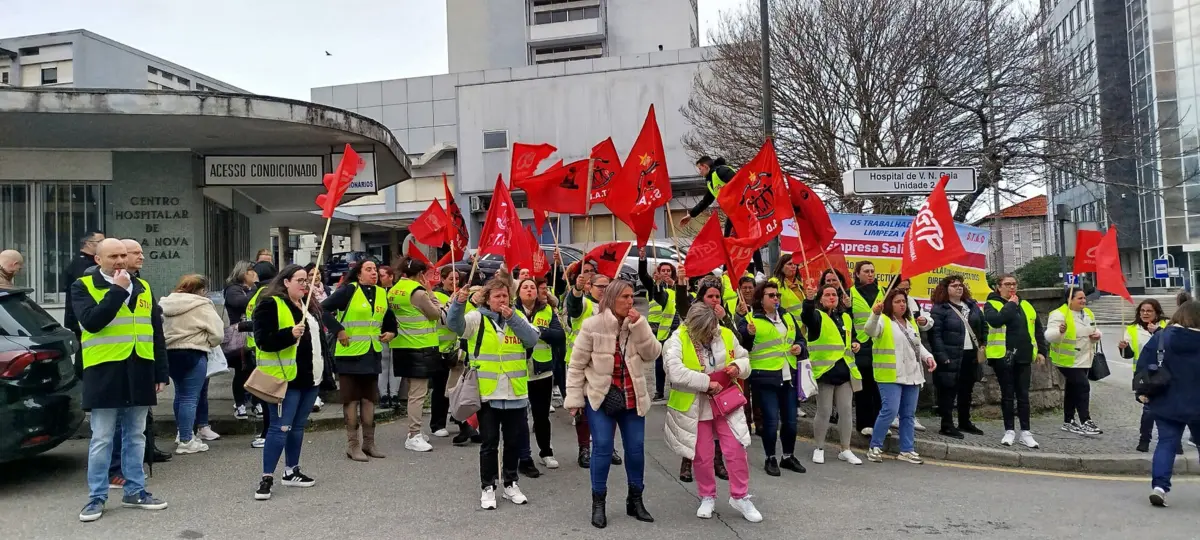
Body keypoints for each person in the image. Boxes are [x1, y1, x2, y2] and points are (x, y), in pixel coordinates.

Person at [73, 239, 169, 522]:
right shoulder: (83, 286)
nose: (120, 260)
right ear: (97, 260)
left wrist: (160, 372)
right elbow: (92, 322)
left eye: (123, 255)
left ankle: (135, 490)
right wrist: (117, 290)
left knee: (136, 435)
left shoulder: (144, 286)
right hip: (104, 370)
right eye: (113, 256)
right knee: (102, 437)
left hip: (140, 368)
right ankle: (97, 497)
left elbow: (155, 332)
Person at [566, 279, 659, 529]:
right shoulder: (592, 325)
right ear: (612, 299)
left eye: (632, 297)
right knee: (603, 449)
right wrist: (574, 398)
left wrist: (640, 326)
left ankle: (635, 499)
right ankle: (598, 503)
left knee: (636, 449)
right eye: (625, 297)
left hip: (632, 396)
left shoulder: (638, 324)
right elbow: (576, 365)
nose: (630, 301)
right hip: (601, 397)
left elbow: (652, 354)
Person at [446, 278, 540, 510]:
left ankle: (510, 483)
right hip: (488, 393)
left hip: (516, 392)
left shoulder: (517, 319)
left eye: (505, 296)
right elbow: (454, 325)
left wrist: (512, 318)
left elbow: (531, 339)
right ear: (488, 299)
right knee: (489, 443)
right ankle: (488, 487)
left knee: (513, 442)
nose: (502, 300)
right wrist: (458, 304)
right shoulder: (477, 318)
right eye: (497, 296)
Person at [665, 304, 761, 522]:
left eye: (712, 329)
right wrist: (707, 383)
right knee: (702, 454)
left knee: (736, 448)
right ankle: (707, 495)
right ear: (693, 327)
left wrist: (737, 367)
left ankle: (741, 496)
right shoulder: (677, 339)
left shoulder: (725, 333)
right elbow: (674, 371)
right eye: (705, 331)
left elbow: (745, 359)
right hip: (695, 405)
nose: (710, 335)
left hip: (725, 402)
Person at [251, 264, 334, 501]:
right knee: (280, 428)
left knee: (297, 427)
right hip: (284, 378)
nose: (304, 284)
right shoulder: (270, 304)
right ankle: (267, 476)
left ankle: (292, 470)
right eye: (299, 279)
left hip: (310, 377)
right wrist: (289, 334)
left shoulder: (309, 306)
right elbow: (262, 341)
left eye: (306, 280)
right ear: (285, 282)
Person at [321, 260, 397, 461]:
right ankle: (352, 445)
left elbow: (389, 321)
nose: (374, 274)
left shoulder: (382, 293)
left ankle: (369, 444)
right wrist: (338, 330)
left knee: (370, 400)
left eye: (376, 271)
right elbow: (322, 310)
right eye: (369, 270)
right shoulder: (349, 290)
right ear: (358, 274)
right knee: (351, 400)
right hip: (350, 354)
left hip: (372, 353)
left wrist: (391, 333)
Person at [737, 281, 806, 476]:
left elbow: (800, 339)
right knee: (770, 422)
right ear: (761, 299)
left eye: (777, 295)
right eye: (771, 295)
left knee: (791, 422)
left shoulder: (787, 317)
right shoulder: (752, 320)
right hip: (765, 378)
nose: (776, 298)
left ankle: (787, 456)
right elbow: (742, 346)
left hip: (788, 376)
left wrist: (800, 348)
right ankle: (770, 458)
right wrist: (747, 334)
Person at [1138, 300, 1200, 507]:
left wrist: (1141, 392)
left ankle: (1160, 488)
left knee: (1166, 443)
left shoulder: (1161, 337)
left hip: (1166, 400)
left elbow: (1144, 365)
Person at [864, 288, 936, 464]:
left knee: (908, 414)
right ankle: (875, 446)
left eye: (903, 301)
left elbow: (917, 344)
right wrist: (874, 314)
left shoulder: (910, 322)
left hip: (911, 374)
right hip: (890, 375)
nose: (902, 304)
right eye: (897, 301)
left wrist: (928, 357)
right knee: (889, 411)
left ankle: (907, 449)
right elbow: (869, 331)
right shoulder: (883, 320)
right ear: (890, 304)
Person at [564, 272, 624, 469]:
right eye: (600, 286)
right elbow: (573, 307)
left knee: (611, 406)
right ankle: (584, 448)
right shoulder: (585, 304)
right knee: (583, 410)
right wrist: (577, 290)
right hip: (582, 364)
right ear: (590, 287)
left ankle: (608, 447)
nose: (604, 290)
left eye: (608, 287)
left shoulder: (615, 308)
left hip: (606, 366)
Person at [387, 257, 446, 452]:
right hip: (420, 346)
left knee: (413, 391)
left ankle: (415, 432)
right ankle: (413, 434)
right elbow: (436, 314)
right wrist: (431, 292)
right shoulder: (418, 292)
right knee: (417, 394)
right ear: (421, 275)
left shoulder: (394, 290)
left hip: (402, 345)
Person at [161, 274, 224, 454]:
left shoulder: (165, 303)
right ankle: (187, 440)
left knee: (180, 395)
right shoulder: (202, 305)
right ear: (201, 290)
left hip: (169, 352)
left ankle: (182, 433)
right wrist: (209, 342)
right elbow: (218, 333)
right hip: (194, 351)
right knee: (190, 397)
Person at [802, 282, 863, 465]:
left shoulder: (845, 317)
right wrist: (808, 299)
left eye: (834, 295)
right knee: (824, 411)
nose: (831, 297)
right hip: (825, 370)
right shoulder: (817, 316)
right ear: (821, 298)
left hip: (845, 370)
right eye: (827, 294)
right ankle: (819, 447)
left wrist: (856, 344)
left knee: (846, 411)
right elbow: (807, 316)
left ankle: (846, 449)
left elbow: (850, 338)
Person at [984, 274, 1048, 449]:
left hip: (1024, 355)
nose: (1011, 287)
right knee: (1007, 395)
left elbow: (1037, 330)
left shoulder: (1026, 305)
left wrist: (1042, 351)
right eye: (1007, 284)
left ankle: (1026, 432)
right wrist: (1011, 305)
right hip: (1003, 356)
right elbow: (996, 321)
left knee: (1023, 395)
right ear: (998, 287)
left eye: (1014, 284)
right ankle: (1009, 430)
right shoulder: (992, 304)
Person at [515, 277, 566, 476]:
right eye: (525, 287)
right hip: (518, 371)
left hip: (542, 371)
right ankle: (523, 456)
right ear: (518, 292)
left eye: (532, 288)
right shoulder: (512, 311)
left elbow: (559, 335)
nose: (529, 290)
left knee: (541, 416)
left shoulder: (547, 310)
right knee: (519, 418)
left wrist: (538, 332)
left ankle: (546, 452)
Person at [678, 156, 763, 274]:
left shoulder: (721, 171)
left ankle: (760, 271)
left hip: (742, 210)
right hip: (732, 213)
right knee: (727, 241)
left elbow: (740, 182)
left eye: (700, 168)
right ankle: (726, 271)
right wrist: (691, 215)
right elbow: (706, 201)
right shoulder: (710, 181)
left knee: (749, 238)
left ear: (705, 166)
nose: (700, 172)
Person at [928, 275, 987, 439]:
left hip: (970, 354)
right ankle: (946, 425)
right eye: (954, 286)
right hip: (950, 354)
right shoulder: (940, 309)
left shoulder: (972, 305)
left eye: (960, 285)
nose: (958, 288)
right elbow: (935, 335)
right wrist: (942, 356)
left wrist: (983, 343)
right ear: (945, 289)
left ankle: (964, 421)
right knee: (948, 391)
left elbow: (983, 326)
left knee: (966, 390)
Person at [430, 266, 481, 445]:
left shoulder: (462, 296)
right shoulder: (436, 296)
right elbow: (442, 320)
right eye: (451, 278)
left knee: (457, 389)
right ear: (442, 279)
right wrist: (452, 305)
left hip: (458, 350)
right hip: (440, 349)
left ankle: (463, 423)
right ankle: (437, 424)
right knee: (439, 389)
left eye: (457, 279)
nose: (454, 282)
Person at [1046, 287, 1103, 436]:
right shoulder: (1059, 314)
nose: (1084, 301)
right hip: (1067, 360)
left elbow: (1094, 329)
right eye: (1080, 298)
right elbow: (1049, 336)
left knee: (1072, 389)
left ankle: (1068, 421)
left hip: (1085, 358)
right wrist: (1059, 331)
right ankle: (1086, 421)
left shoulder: (1088, 313)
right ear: (1070, 299)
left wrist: (1097, 335)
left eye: (1084, 298)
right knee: (1083, 386)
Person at [1120, 299, 1173, 453]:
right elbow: (1128, 355)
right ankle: (1144, 440)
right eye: (1142, 311)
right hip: (1146, 376)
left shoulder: (1167, 325)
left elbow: (1172, 346)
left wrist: (1157, 332)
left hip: (1166, 374)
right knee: (1148, 410)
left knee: (1170, 409)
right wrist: (1124, 348)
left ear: (1156, 312)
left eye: (1149, 311)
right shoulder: (1131, 328)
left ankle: (1174, 443)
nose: (1145, 314)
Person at [849, 261, 886, 436]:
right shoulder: (851, 293)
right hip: (861, 344)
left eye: (872, 271)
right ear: (857, 274)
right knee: (864, 387)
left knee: (879, 386)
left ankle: (879, 424)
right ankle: (864, 423)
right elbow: (848, 320)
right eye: (866, 271)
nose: (870, 274)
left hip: (879, 342)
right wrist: (853, 340)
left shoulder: (882, 292)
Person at [637, 250, 678, 403]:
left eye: (668, 271)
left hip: (673, 329)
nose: (666, 273)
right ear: (658, 272)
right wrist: (643, 258)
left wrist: (674, 284)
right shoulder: (653, 287)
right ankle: (659, 391)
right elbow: (643, 275)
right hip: (657, 330)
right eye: (663, 270)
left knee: (674, 361)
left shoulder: (677, 287)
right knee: (659, 362)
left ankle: (675, 388)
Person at [223, 261, 259, 422]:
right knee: (242, 370)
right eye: (252, 272)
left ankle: (256, 402)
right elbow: (240, 303)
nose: (255, 275)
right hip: (240, 336)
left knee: (256, 371)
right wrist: (255, 292)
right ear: (245, 273)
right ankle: (240, 404)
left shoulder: (252, 290)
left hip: (254, 335)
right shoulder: (233, 290)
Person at [64, 230, 105, 336]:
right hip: (83, 316)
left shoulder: (91, 262)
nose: (104, 245)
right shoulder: (82, 264)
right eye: (101, 241)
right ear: (89, 243)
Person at [376, 265, 402, 410]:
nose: (379, 278)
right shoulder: (377, 292)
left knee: (396, 365)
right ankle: (384, 395)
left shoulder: (398, 292)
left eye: (382, 275)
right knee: (383, 364)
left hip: (398, 332)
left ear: (391, 276)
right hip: (382, 332)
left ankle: (394, 394)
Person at [767, 254, 805, 319]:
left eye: (795, 264)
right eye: (790, 264)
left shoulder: (800, 284)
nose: (793, 266)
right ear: (781, 267)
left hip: (804, 326)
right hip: (787, 325)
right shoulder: (774, 282)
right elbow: (770, 306)